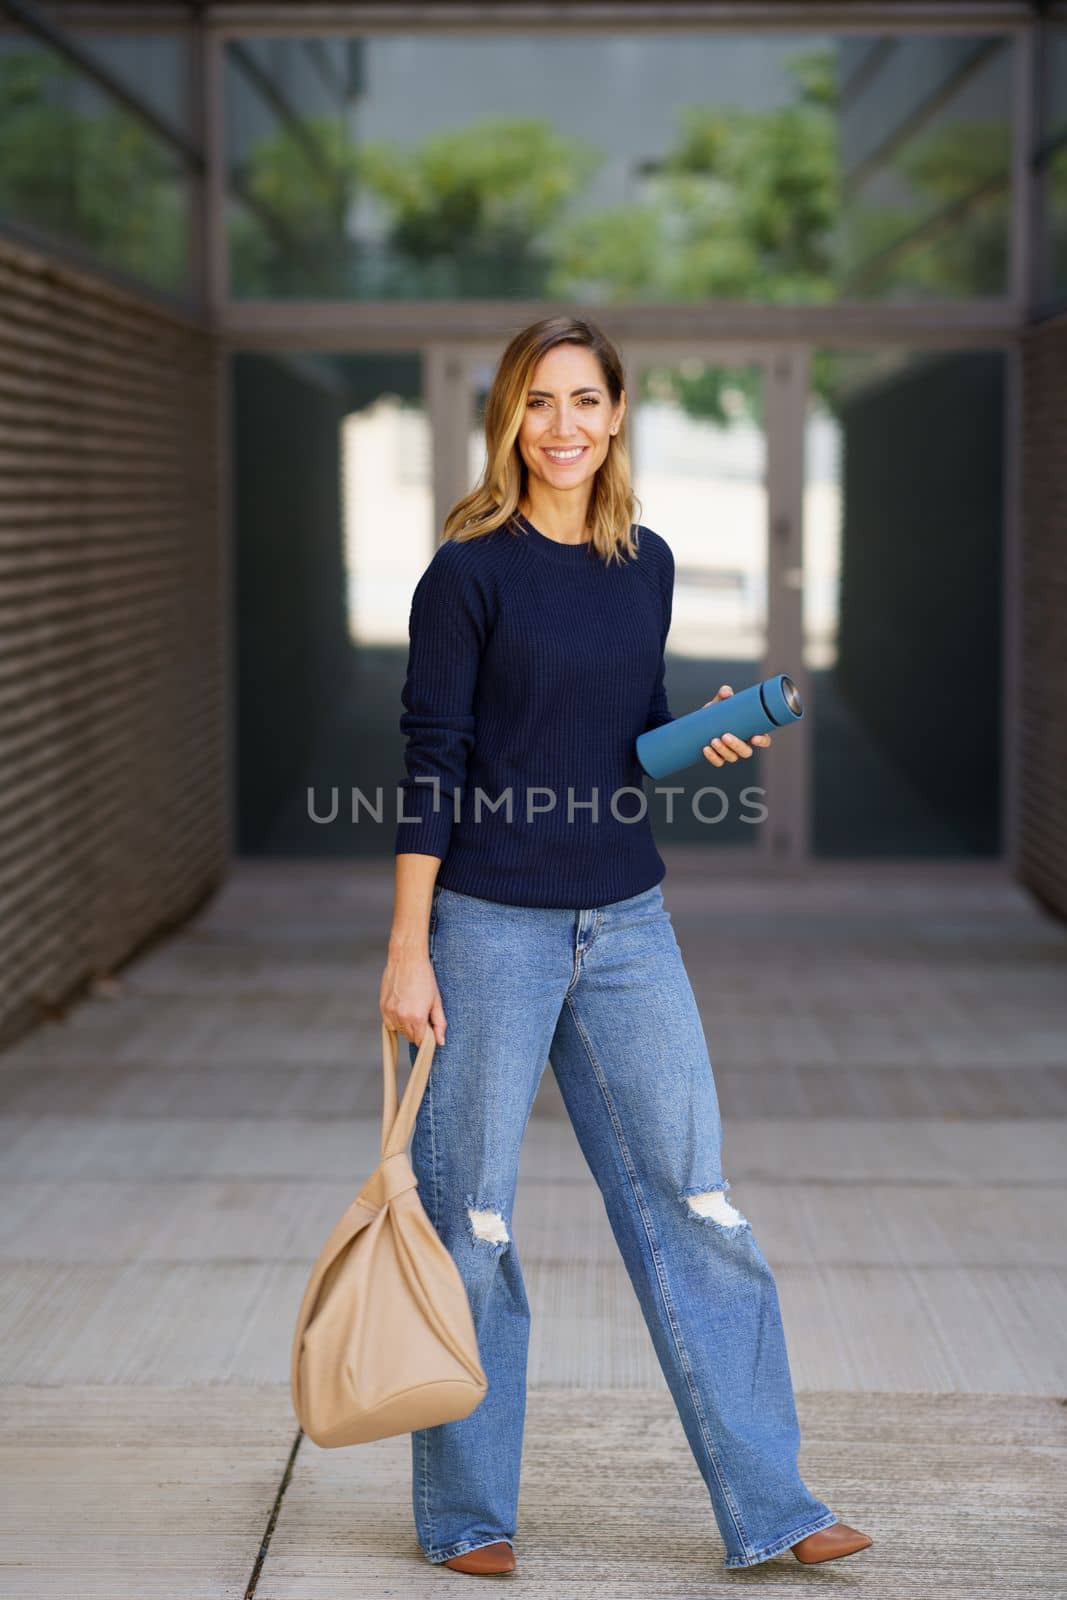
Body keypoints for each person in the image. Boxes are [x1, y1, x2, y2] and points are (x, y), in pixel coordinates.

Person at [380, 313, 873, 1576]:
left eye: (585, 401)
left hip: (628, 923)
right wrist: (406, 944)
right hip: (488, 925)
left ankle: (774, 1504)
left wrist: (694, 733)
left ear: (615, 415)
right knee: (473, 1220)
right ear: (508, 417)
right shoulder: (467, 572)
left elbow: (624, 730)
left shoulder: (641, 561)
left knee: (696, 1204)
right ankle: (466, 1514)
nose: (562, 427)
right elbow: (431, 762)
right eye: (537, 403)